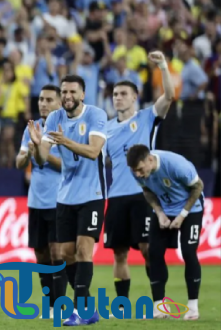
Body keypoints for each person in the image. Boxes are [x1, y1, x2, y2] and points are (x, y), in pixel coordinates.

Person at [28, 75, 107, 326]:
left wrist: (66, 142)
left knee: (84, 249)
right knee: (65, 254)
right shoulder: (54, 118)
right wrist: (38, 143)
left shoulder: (96, 115)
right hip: (64, 197)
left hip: (92, 194)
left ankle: (79, 310)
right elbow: (42, 159)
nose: (67, 96)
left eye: (72, 92)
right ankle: (88, 307)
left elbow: (94, 152)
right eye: (64, 92)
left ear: (82, 94)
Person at [103, 51, 175, 309]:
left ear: (134, 97)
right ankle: (121, 307)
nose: (118, 98)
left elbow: (169, 96)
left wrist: (163, 66)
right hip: (116, 197)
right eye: (115, 95)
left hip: (144, 195)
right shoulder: (107, 128)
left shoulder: (146, 117)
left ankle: (159, 303)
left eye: (123, 94)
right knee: (119, 253)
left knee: (148, 250)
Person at [126, 145, 204, 320]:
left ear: (150, 160)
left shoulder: (176, 165)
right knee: (153, 253)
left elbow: (198, 186)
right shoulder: (136, 171)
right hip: (164, 209)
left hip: (191, 210)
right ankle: (160, 307)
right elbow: (147, 190)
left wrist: (182, 215)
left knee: (189, 252)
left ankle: (192, 307)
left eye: (140, 169)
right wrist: (159, 212)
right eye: (135, 171)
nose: (138, 174)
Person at [16, 84, 63, 319]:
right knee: (41, 255)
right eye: (41, 99)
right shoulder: (31, 129)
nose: (43, 103)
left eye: (49, 100)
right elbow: (18, 163)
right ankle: (51, 304)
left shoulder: (64, 130)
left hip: (59, 201)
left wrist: (41, 153)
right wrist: (27, 153)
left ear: (59, 103)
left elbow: (67, 165)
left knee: (58, 254)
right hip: (35, 201)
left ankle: (64, 303)